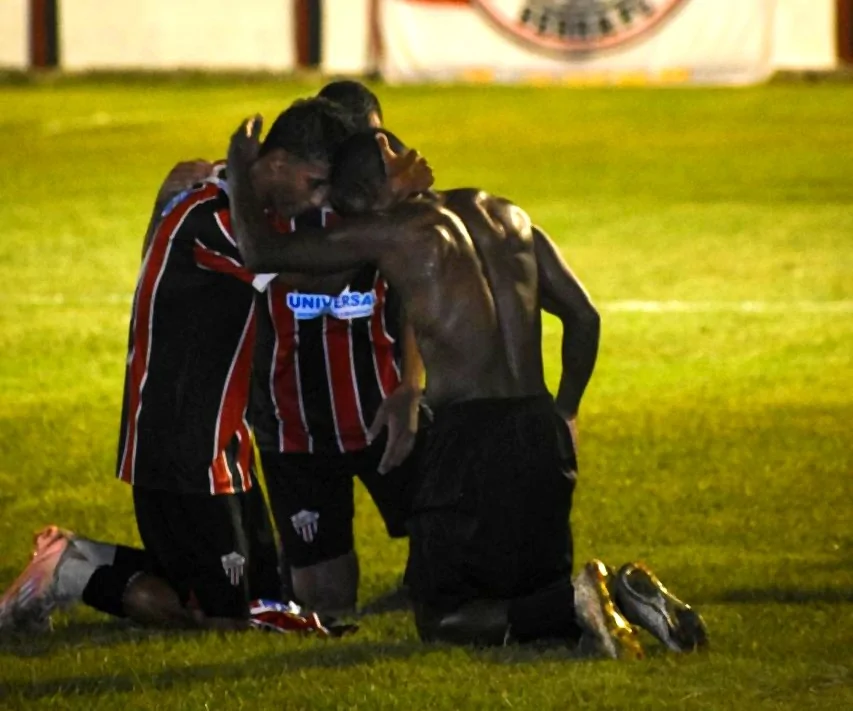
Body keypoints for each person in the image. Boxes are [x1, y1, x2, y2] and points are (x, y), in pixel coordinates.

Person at [224, 122, 708, 657]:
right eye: (392, 152)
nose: (408, 149)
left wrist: (240, 169)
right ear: (377, 188)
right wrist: (565, 412)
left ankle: (578, 600)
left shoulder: (392, 231)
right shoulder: (507, 214)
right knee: (522, 594)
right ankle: (620, 594)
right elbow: (584, 318)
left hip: (471, 438)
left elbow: (259, 252)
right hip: (538, 428)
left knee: (440, 619)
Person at [251, 81, 425, 617]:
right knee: (326, 601)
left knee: (450, 553)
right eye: (369, 139)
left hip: (380, 405)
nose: (381, 151)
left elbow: (419, 291)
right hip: (295, 425)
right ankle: (287, 574)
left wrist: (413, 383)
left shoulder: (382, 200)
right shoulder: (271, 204)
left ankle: (420, 589)